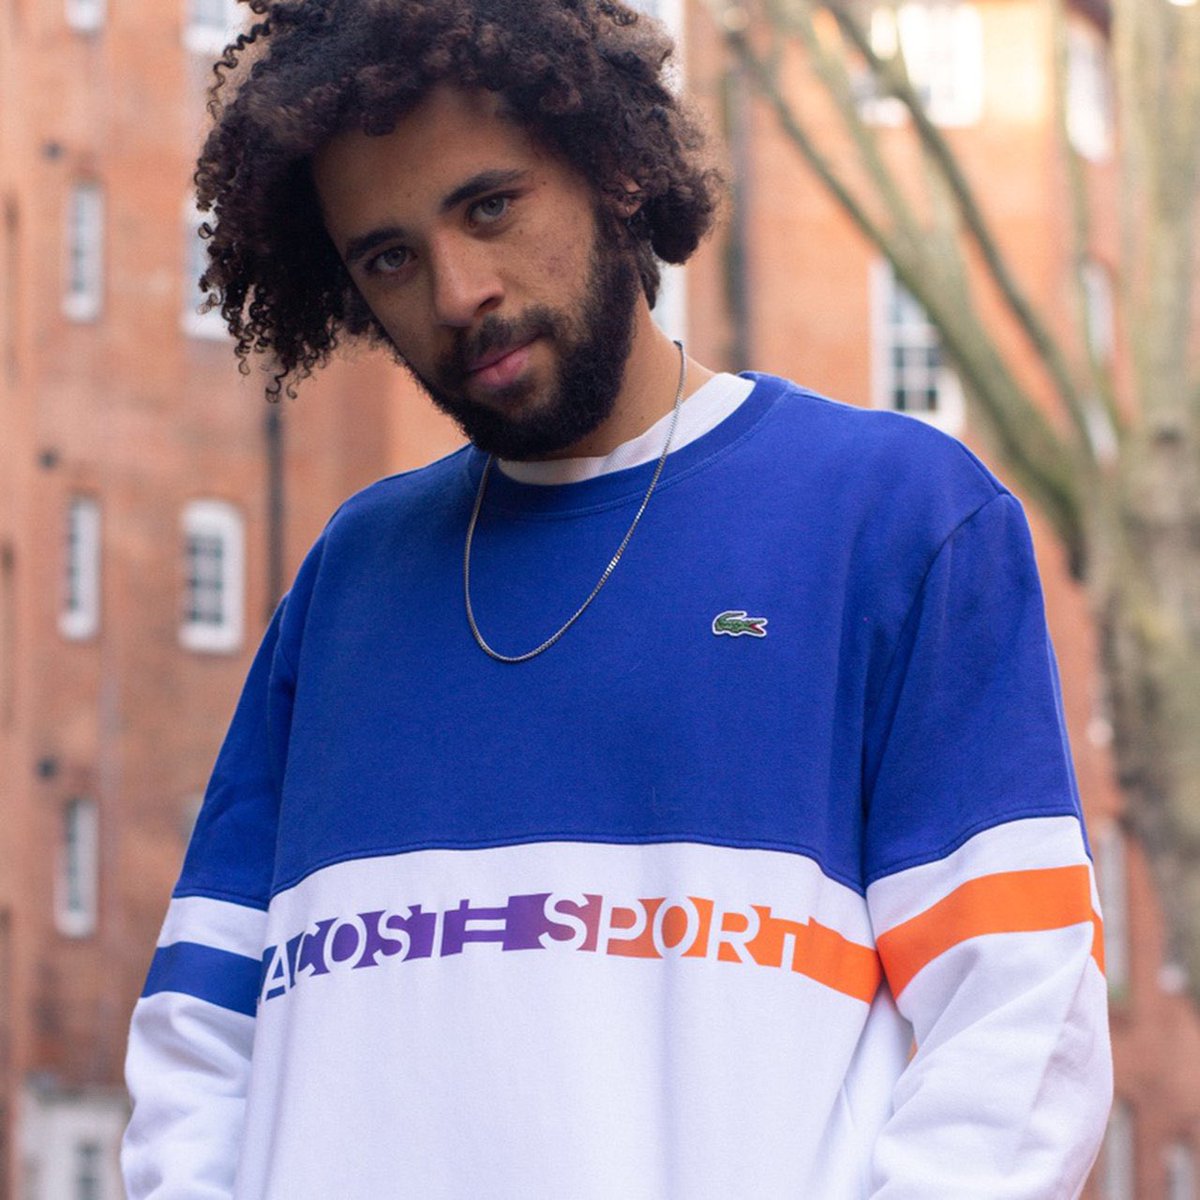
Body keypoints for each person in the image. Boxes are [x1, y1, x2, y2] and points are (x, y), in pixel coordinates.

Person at [122, 1, 1112, 1196]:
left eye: (490, 206)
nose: (457, 290)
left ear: (615, 169)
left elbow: (1017, 1026)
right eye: (389, 257)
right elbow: (198, 1047)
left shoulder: (893, 516)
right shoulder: (350, 576)